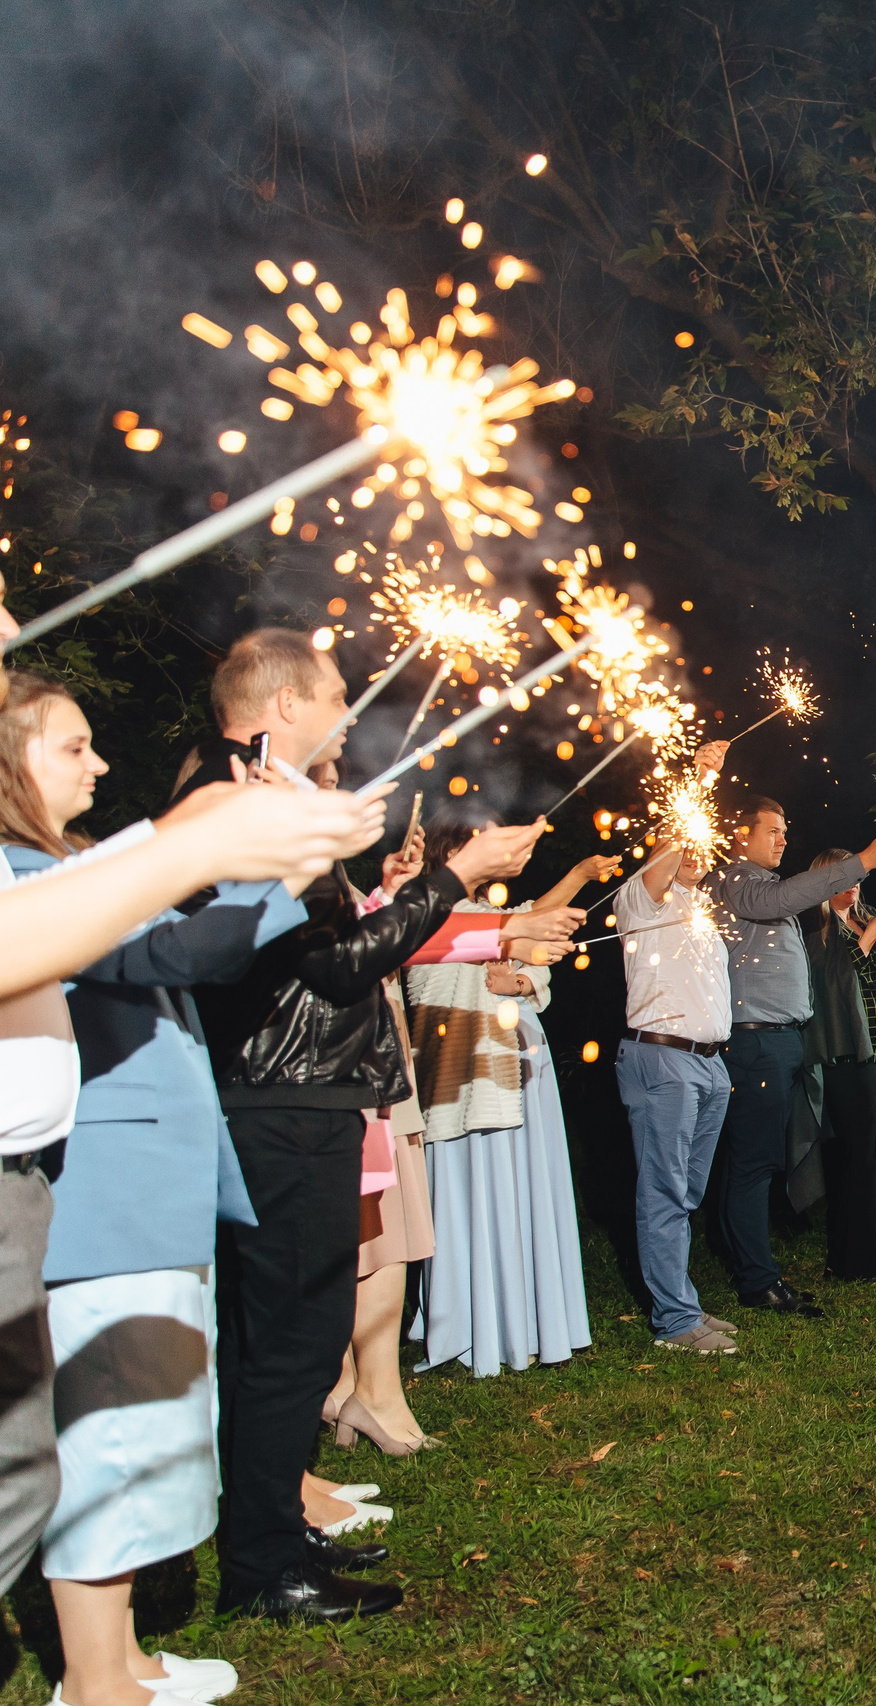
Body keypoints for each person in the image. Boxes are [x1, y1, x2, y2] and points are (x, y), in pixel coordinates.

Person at [179, 627, 545, 1621]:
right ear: (286, 704)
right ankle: (263, 1566)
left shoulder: (280, 807)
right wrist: (456, 876)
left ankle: (275, 1530)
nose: (348, 708)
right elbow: (341, 965)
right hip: (285, 1097)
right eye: (334, 693)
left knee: (291, 1336)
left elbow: (345, 949)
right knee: (290, 1341)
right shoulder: (252, 805)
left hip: (304, 1091)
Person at [0, 670, 304, 1706]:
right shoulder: (32, 878)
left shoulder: (71, 863)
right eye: (72, 745)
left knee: (137, 1430)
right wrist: (271, 859)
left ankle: (120, 1655)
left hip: (143, 1190)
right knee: (111, 1432)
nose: (98, 761)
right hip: (104, 1196)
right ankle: (93, 1679)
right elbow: (189, 943)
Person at [696, 760, 876, 1317]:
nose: (784, 839)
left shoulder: (766, 887)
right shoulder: (739, 881)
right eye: (774, 830)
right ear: (744, 835)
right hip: (754, 1042)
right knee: (752, 1164)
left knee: (761, 1162)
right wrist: (861, 863)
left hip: (781, 1041)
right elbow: (784, 900)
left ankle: (757, 1271)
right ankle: (756, 1280)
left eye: (787, 831)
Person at [403, 818, 605, 1380]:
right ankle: (473, 1328)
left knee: (524, 1196)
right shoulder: (432, 915)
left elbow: (528, 937)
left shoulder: (486, 919)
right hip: (466, 1080)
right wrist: (528, 936)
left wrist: (522, 980)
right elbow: (522, 924)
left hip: (520, 1072)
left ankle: (530, 1320)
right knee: (473, 1197)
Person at [615, 809, 741, 1355]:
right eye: (685, 845)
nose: (697, 853)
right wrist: (697, 782)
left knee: (687, 1191)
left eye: (703, 845)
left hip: (710, 1064)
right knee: (664, 1189)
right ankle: (674, 1321)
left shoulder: (700, 910)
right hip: (663, 1060)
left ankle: (680, 1299)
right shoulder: (642, 900)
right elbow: (661, 863)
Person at [806, 867, 876, 1280]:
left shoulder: (868, 914)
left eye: (857, 876)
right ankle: (855, 1259)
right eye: (843, 875)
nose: (853, 884)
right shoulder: (815, 926)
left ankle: (875, 1250)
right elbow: (832, 980)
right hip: (846, 1050)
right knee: (858, 1155)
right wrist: (868, 936)